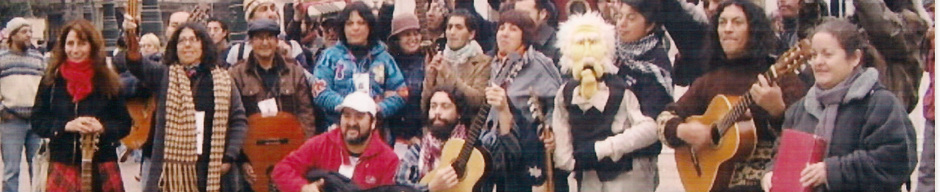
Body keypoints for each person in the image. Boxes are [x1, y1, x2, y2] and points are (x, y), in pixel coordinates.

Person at [655, 0, 807, 190]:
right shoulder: (709, 80)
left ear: (754, 30)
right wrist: (683, 131)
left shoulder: (782, 77)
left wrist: (778, 112)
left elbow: (805, 134)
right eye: (722, 22)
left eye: (737, 22)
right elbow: (664, 118)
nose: (727, 29)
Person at [760, 19, 918, 192]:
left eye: (827, 54)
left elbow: (897, 160)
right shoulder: (801, 108)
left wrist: (832, 171)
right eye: (813, 55)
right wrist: (771, 173)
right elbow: (780, 153)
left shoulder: (880, 104)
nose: (818, 62)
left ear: (855, 58)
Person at [124, 20, 250, 192]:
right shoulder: (164, 75)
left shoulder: (223, 80)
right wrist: (131, 36)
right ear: (175, 47)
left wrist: (229, 157)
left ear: (204, 45)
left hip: (212, 170)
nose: (187, 45)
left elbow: (238, 120)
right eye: (182, 41)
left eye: (194, 40)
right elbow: (137, 64)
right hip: (170, 174)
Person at [552, 12, 659, 191]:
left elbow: (649, 130)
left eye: (593, 42)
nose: (587, 48)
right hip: (588, 180)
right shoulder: (566, 93)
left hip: (625, 179)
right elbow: (561, 132)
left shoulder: (621, 88)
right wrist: (567, 161)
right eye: (580, 43)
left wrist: (603, 148)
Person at [30, 19, 132, 192]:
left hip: (102, 164)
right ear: (63, 46)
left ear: (92, 46)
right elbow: (38, 121)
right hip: (63, 162)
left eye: (82, 43)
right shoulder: (51, 81)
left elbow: (124, 124)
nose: (75, 50)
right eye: (70, 43)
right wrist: (66, 126)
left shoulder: (108, 81)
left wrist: (103, 127)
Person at [487, 9, 564, 191]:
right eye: (501, 28)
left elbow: (559, 103)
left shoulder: (539, 63)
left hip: (529, 150)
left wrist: (551, 130)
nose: (504, 33)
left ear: (525, 35)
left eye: (513, 29)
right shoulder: (494, 64)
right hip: (500, 151)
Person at [395, 85, 523, 192]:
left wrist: (503, 111)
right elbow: (401, 187)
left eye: (445, 106)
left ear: (459, 113)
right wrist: (430, 188)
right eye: (433, 106)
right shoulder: (417, 151)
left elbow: (510, 159)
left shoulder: (481, 142)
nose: (437, 112)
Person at [272, 92, 400, 191]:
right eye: (347, 115)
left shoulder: (388, 159)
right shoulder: (320, 144)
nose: (351, 122)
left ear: (373, 123)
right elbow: (281, 169)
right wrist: (303, 188)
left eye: (359, 117)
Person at [312, 1, 407, 133]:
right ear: (343, 28)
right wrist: (350, 106)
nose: (355, 28)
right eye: (350, 23)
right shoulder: (330, 56)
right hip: (337, 130)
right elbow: (319, 92)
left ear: (370, 26)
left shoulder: (384, 58)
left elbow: (401, 92)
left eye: (361, 23)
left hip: (375, 132)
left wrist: (378, 108)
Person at [231, 19, 317, 137]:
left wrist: (304, 146)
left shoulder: (294, 71)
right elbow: (234, 117)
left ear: (277, 41)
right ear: (251, 41)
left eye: (270, 37)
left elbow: (305, 113)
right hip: (252, 145)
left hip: (288, 142)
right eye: (259, 38)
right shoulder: (237, 74)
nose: (265, 43)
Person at [0, 17, 45, 192]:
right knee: (12, 171)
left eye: (30, 31)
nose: (29, 35)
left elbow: (45, 86)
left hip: (36, 122)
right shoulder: (2, 59)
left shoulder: (38, 57)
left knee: (38, 167)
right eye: (24, 32)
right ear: (12, 35)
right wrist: (3, 111)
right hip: (11, 122)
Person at [611, 0, 673, 117]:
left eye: (631, 18)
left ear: (650, 25)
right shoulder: (612, 50)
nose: (621, 24)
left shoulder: (655, 66)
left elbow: (651, 120)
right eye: (619, 16)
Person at [422, 9, 491, 114]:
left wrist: (448, 74)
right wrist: (430, 78)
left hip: (469, 125)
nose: (452, 32)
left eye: (459, 27)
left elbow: (477, 101)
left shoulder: (483, 62)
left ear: (471, 34)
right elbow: (424, 107)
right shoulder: (437, 59)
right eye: (449, 27)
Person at [385, 13, 426, 145]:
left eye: (416, 34)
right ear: (397, 39)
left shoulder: (426, 62)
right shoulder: (387, 64)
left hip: (419, 136)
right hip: (390, 134)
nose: (413, 38)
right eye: (407, 34)